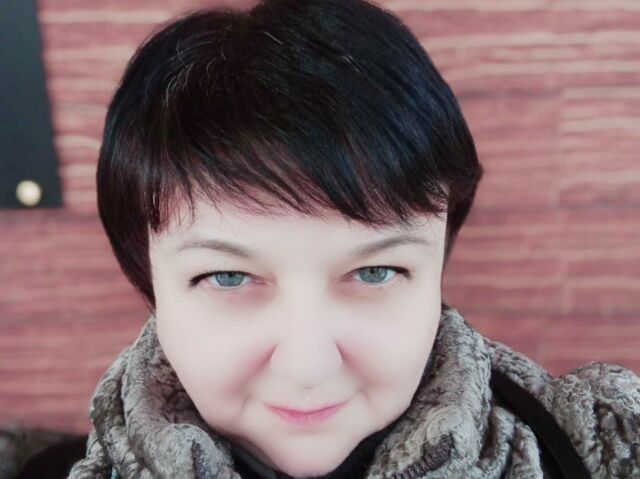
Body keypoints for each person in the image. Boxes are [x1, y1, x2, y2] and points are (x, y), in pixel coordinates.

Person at [6, 0, 639, 477]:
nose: (308, 365)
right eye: (228, 276)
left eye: (375, 272)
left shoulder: (592, 448)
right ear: (149, 279)